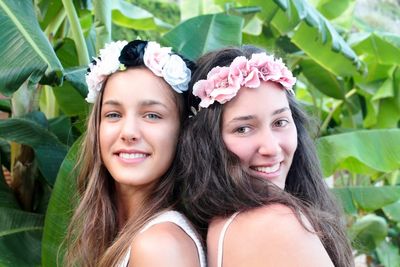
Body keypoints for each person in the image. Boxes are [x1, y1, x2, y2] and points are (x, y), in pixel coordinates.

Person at [178, 46, 354, 267]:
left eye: (280, 122)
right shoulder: (275, 224)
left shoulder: (221, 224)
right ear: (206, 142)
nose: (271, 148)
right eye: (243, 128)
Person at [65, 40, 205, 267]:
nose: (129, 132)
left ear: (182, 131)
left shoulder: (160, 247)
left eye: (152, 115)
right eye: (113, 114)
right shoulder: (126, 232)